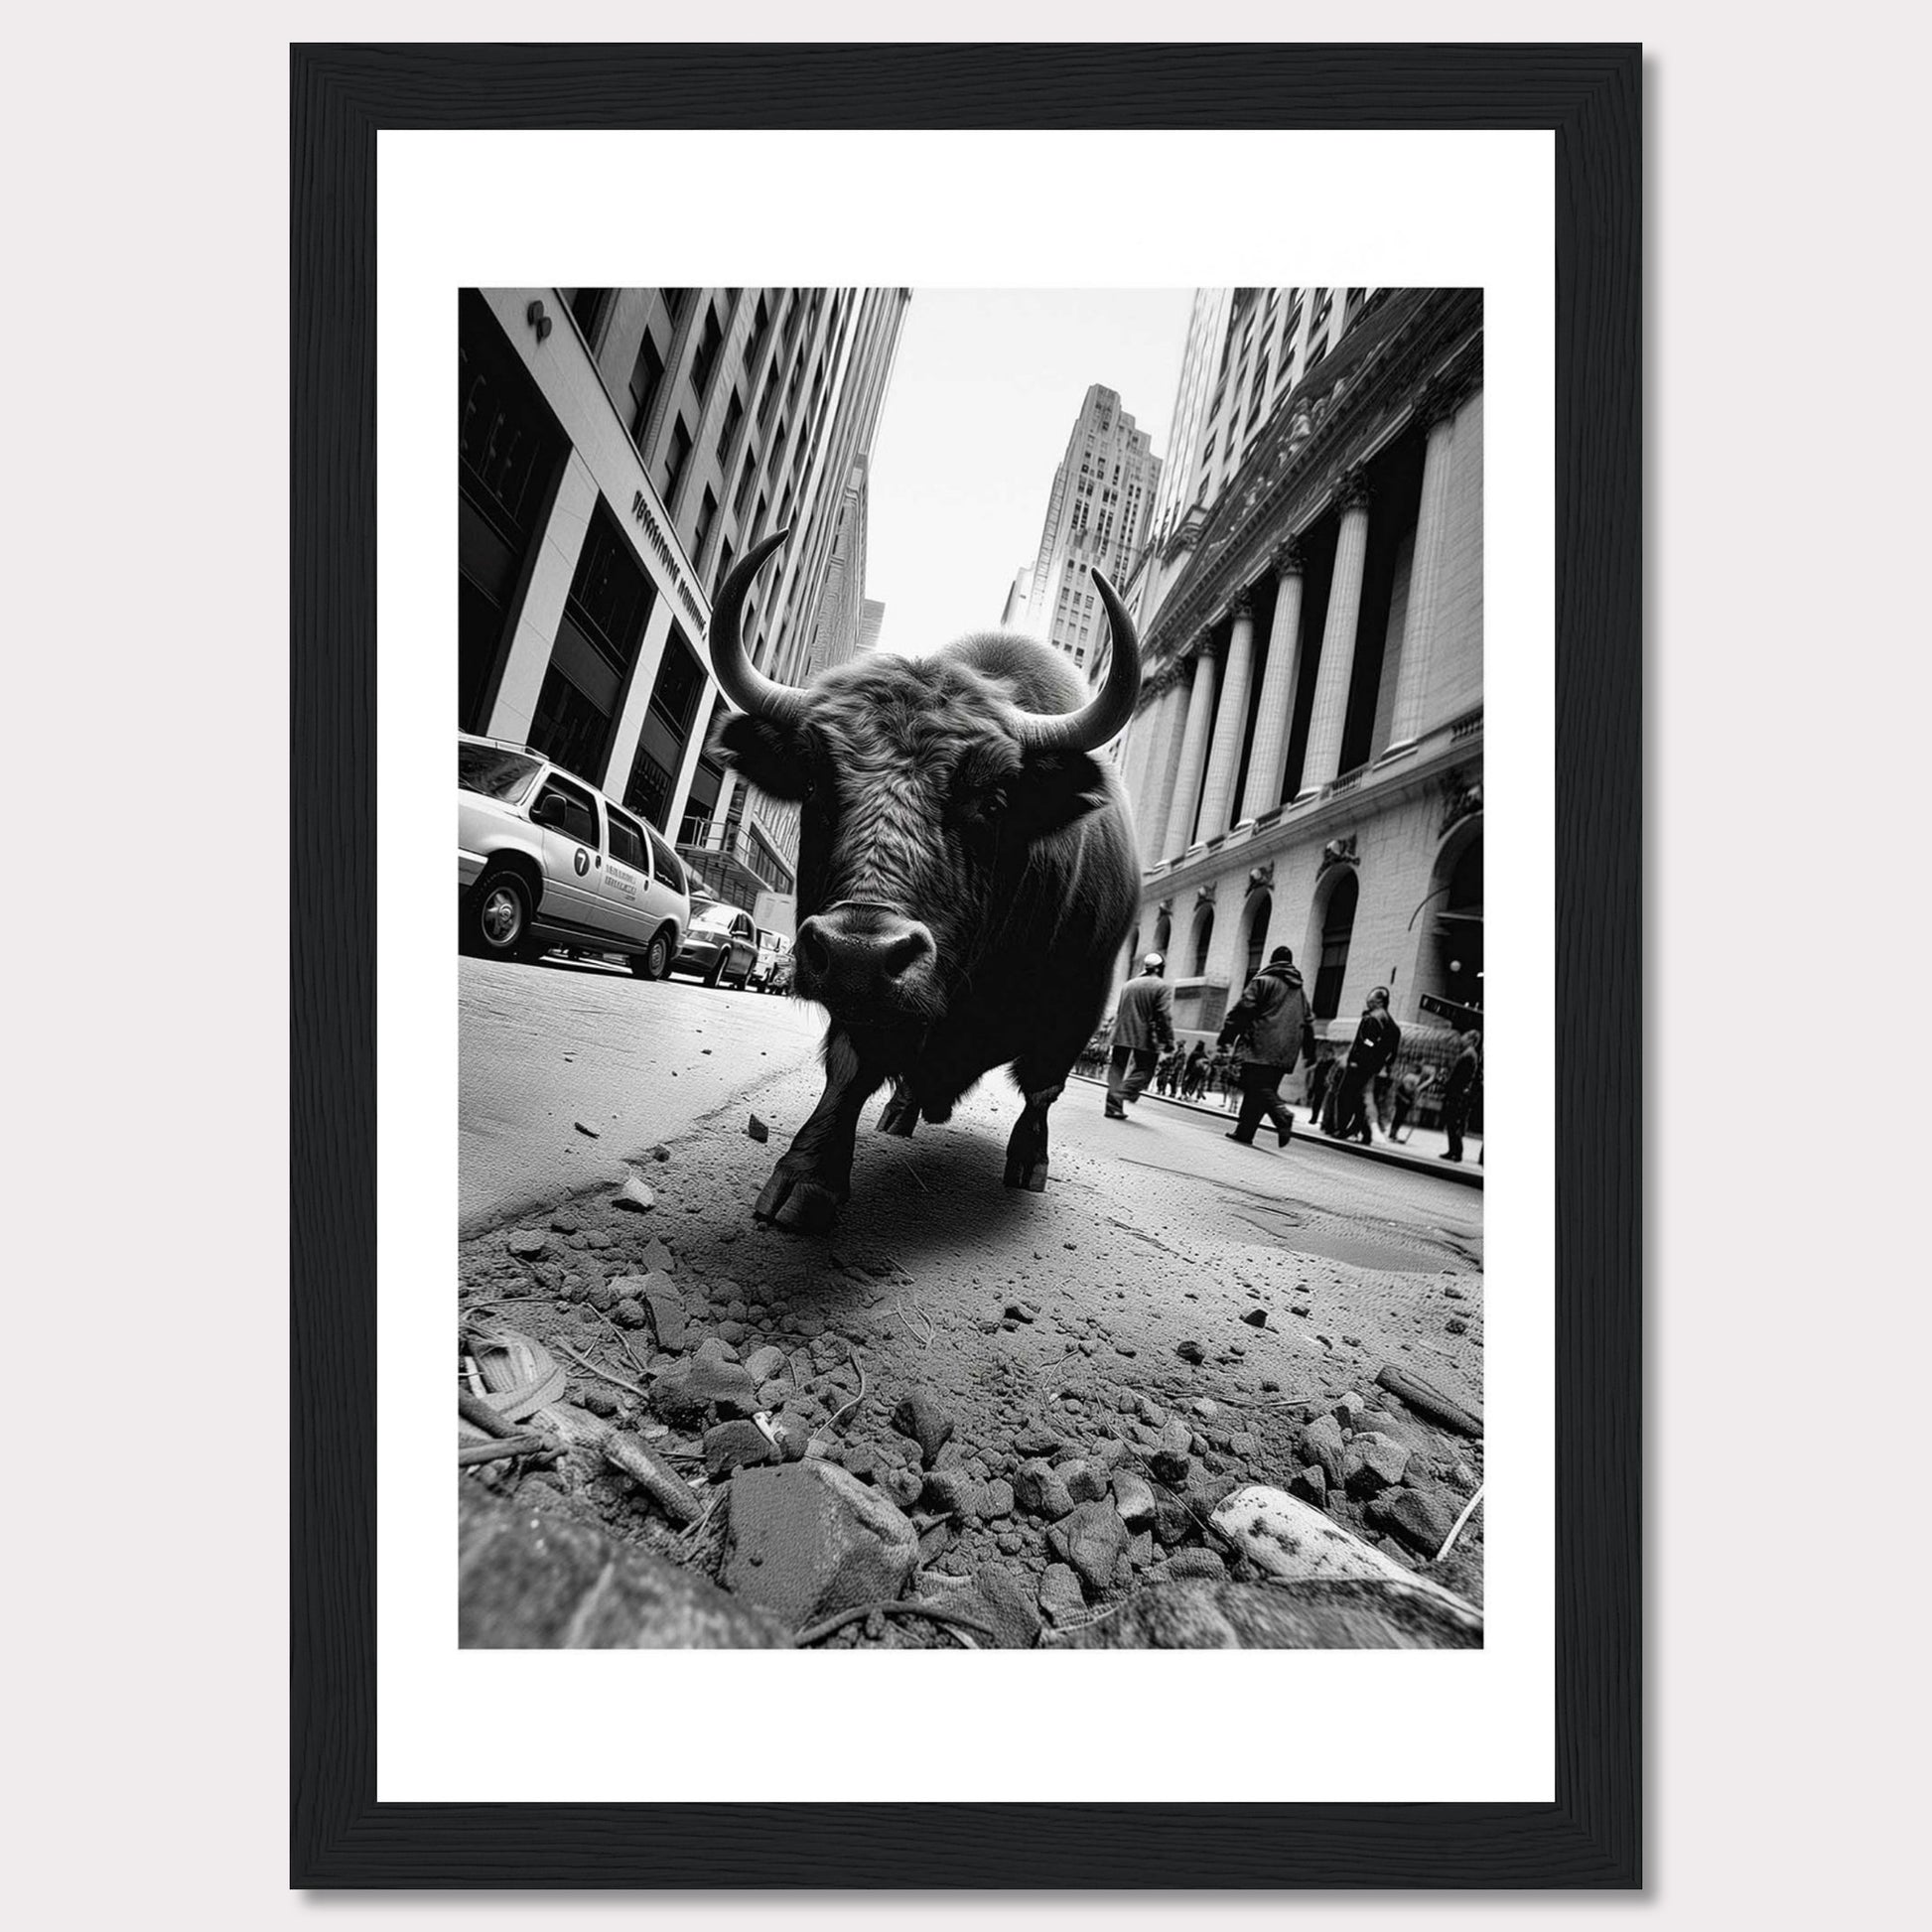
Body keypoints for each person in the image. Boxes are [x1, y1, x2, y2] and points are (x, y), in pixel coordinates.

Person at [1217, 945, 1318, 1149]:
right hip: (1287, 1050)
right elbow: (1308, 1022)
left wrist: (1227, 1036)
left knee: (1252, 1084)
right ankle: (1245, 1132)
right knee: (1265, 1089)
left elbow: (1243, 1010)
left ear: (1272, 961)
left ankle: (1281, 1114)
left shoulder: (1262, 981)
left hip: (1260, 1044)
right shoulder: (1299, 990)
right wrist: (1309, 1051)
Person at [1105, 952, 1174, 1119]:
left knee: (1117, 1068)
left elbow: (1121, 1010)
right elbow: (1163, 1015)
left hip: (1121, 1032)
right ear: (1160, 968)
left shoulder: (1129, 984)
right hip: (1145, 1035)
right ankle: (1123, 1092)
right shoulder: (1162, 986)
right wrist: (1168, 1039)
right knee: (1145, 1069)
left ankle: (1112, 1107)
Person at [1333, 986, 1402, 1145]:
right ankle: (1364, 1133)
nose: (1368, 1001)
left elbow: (1366, 1041)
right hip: (1377, 1069)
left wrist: (1363, 1052)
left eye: (1370, 999)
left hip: (1360, 1065)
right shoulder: (1393, 1026)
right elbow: (1393, 1051)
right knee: (1366, 1100)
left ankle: (1342, 1128)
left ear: (1379, 1001)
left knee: (1346, 1095)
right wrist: (1383, 1062)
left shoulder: (1372, 1018)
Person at [1440, 1025, 1481, 1162]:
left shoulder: (1468, 1055)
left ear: (1471, 1039)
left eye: (1465, 1036)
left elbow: (1460, 1077)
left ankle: (1456, 1151)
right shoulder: (1470, 1054)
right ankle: (1453, 1150)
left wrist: (1449, 1086)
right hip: (1458, 1092)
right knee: (1452, 1122)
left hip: (1457, 1093)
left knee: (1453, 1122)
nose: (1462, 1039)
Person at [1390, 1063, 1436, 1144]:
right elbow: (1409, 1089)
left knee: (1400, 1116)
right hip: (1403, 1098)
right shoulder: (1412, 1077)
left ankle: (1393, 1133)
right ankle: (1393, 1133)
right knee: (1399, 1116)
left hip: (1405, 1098)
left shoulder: (1414, 1077)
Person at [1304, 1049, 1337, 1130]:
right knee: (1316, 1102)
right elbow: (1312, 1072)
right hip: (1317, 1084)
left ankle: (1324, 1121)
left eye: (1327, 1054)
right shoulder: (1321, 1063)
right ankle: (1314, 1118)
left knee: (1325, 1104)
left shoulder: (1332, 1063)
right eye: (1324, 1054)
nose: (1325, 1055)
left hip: (1326, 1085)